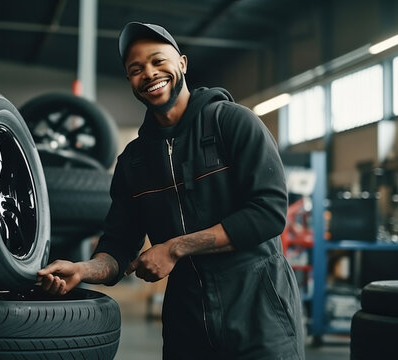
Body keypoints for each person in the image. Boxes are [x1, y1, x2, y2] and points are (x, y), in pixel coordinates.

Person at [37, 21, 305, 359]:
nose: (149, 73)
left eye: (158, 60)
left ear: (182, 63)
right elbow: (119, 246)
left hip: (259, 312)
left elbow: (269, 213)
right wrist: (83, 270)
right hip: (187, 321)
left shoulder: (233, 123)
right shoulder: (133, 162)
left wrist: (175, 248)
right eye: (136, 69)